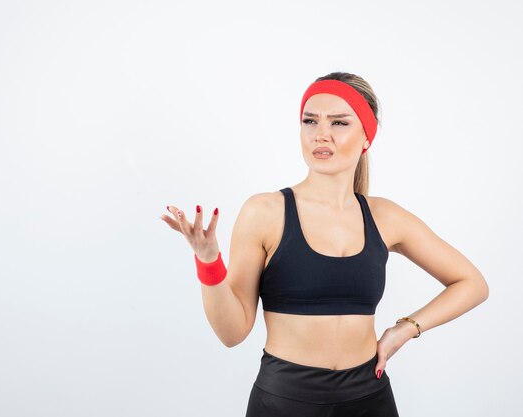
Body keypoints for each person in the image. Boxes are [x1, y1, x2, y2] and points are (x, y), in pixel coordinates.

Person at [159, 71, 489, 416]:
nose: (321, 134)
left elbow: (472, 283)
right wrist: (208, 260)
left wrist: (406, 328)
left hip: (370, 399)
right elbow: (232, 333)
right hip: (285, 400)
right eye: (310, 121)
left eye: (339, 123)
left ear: (366, 137)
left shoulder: (386, 217)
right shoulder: (265, 212)